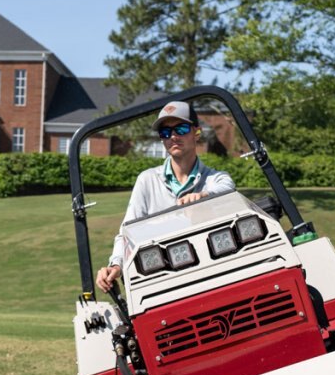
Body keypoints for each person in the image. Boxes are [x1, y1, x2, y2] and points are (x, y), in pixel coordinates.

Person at [95, 101, 235, 292]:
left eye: (181, 128)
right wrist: (116, 264)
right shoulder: (147, 180)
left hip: (209, 278)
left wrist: (203, 197)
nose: (173, 137)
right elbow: (128, 232)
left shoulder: (214, 179)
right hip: (163, 281)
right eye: (166, 132)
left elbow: (227, 189)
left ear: (197, 132)